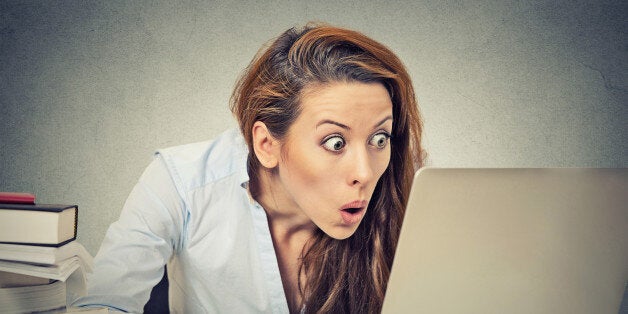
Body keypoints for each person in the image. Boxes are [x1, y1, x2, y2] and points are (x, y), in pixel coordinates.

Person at [72, 22, 424, 313]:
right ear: (267, 144)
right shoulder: (182, 182)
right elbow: (105, 303)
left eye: (379, 139)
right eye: (335, 143)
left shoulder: (409, 196)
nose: (364, 173)